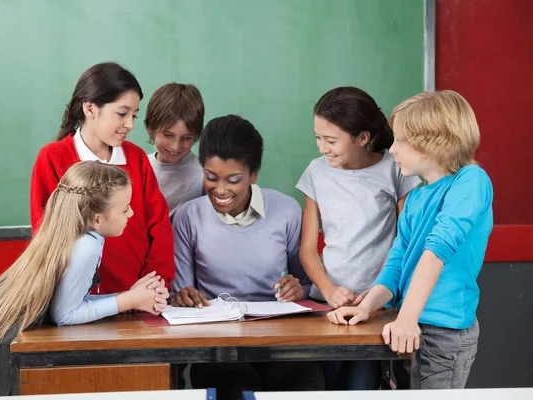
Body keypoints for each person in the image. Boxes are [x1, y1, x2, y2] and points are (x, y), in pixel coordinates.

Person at [0, 161, 169, 398]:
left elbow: (71, 301)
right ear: (97, 219)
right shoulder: (87, 246)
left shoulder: (78, 235)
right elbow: (65, 315)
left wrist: (131, 298)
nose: (132, 213)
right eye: (125, 208)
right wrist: (129, 300)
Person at [328, 90, 493, 390]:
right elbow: (397, 262)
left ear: (432, 142)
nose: (392, 150)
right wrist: (368, 307)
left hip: (443, 332)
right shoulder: (415, 198)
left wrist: (406, 318)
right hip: (408, 325)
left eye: (400, 140)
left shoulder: (471, 180)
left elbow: (437, 250)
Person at [172, 115, 324, 400]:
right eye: (211, 177)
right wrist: (182, 297)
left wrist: (296, 289)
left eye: (233, 180)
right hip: (218, 346)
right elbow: (181, 294)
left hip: (281, 341)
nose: (220, 190)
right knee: (235, 385)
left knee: (304, 382)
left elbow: (306, 285)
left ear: (253, 175)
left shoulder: (287, 210)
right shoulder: (187, 217)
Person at [296, 86, 421, 390]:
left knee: (362, 387)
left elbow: (408, 242)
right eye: (317, 138)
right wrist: (328, 290)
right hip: (328, 307)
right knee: (326, 384)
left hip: (377, 308)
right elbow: (308, 250)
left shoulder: (396, 169)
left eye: (331, 140)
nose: (322, 148)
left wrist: (378, 294)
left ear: (363, 138)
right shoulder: (316, 172)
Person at [30, 62, 174, 294]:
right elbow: (45, 234)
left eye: (134, 115)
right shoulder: (53, 158)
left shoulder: (136, 158)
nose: (130, 124)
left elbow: (159, 225)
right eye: (122, 113)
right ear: (90, 109)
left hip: (139, 298)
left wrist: (153, 284)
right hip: (78, 303)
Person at [145, 83, 205, 219]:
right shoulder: (140, 167)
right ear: (151, 128)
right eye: (168, 135)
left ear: (196, 136)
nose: (175, 147)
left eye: (186, 138)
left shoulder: (202, 174)